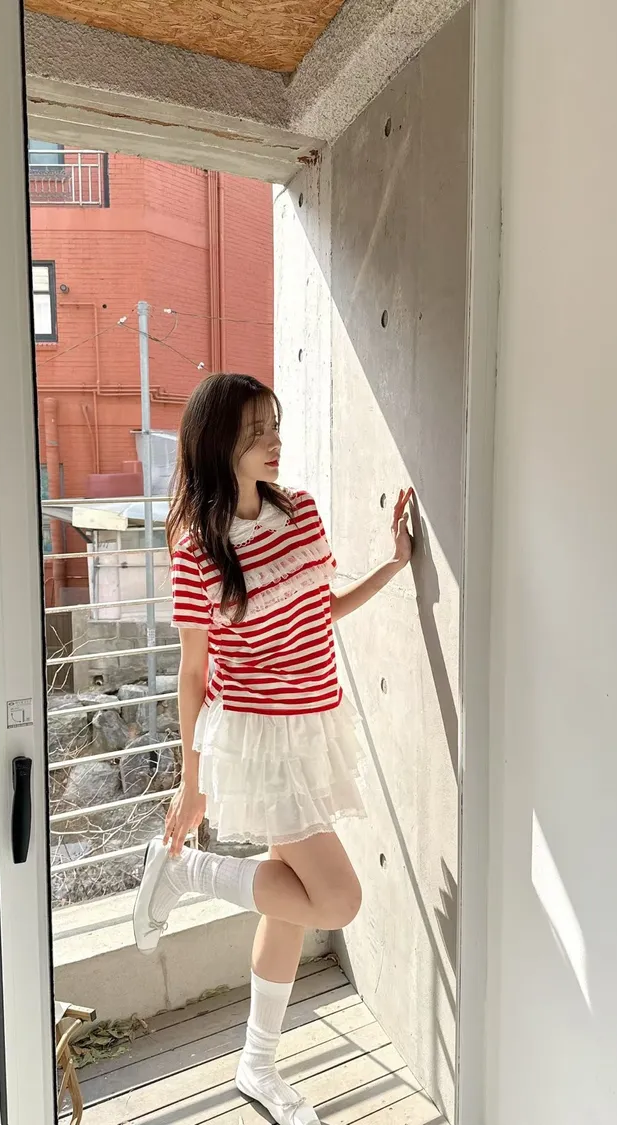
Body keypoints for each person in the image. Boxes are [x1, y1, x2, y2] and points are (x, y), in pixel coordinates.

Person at [133, 373, 413, 1125]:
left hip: (310, 726)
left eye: (275, 426)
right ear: (219, 443)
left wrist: (392, 565)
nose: (274, 441)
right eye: (257, 431)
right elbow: (193, 674)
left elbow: (320, 610)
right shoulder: (197, 550)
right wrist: (191, 782)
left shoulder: (301, 512)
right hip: (258, 741)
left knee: (290, 906)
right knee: (339, 899)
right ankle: (186, 870)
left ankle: (257, 1066)